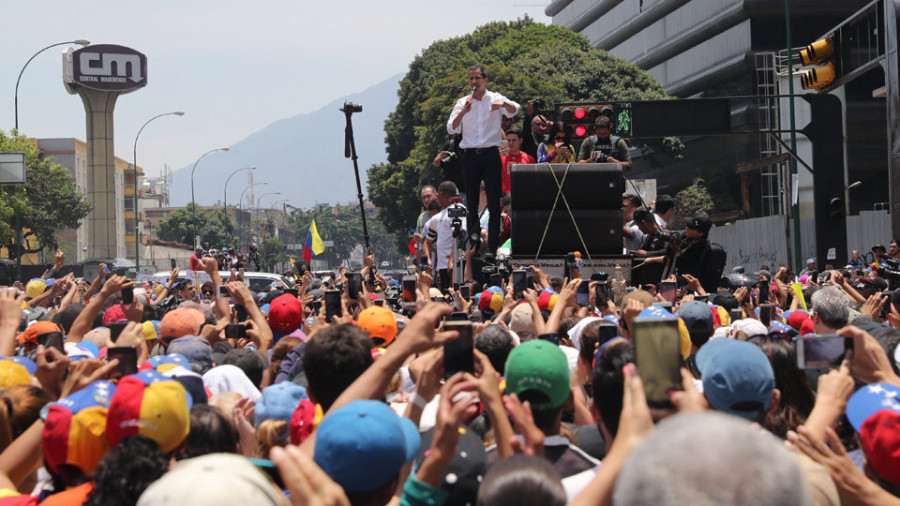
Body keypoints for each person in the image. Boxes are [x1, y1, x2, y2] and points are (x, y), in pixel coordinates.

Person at [447, 65, 519, 256]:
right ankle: (474, 241)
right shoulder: (463, 101)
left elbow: (514, 110)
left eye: (477, 78)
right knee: (471, 201)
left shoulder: (495, 97)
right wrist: (463, 112)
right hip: (470, 154)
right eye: (471, 78)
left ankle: (493, 246)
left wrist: (502, 105)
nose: (473, 82)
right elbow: (451, 128)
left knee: (494, 202)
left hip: (490, 154)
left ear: (485, 79)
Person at [423, 181, 467, 290]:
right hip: (442, 268)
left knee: (456, 296)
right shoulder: (437, 217)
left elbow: (460, 235)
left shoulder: (458, 209)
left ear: (441, 194)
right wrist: (429, 259)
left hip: (456, 266)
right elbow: (427, 241)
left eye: (437, 194)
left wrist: (452, 260)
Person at [501, 128, 535, 195]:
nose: (511, 143)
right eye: (508, 140)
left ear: (521, 141)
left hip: (522, 195)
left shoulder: (529, 159)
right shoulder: (500, 157)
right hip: (503, 196)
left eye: (514, 140)